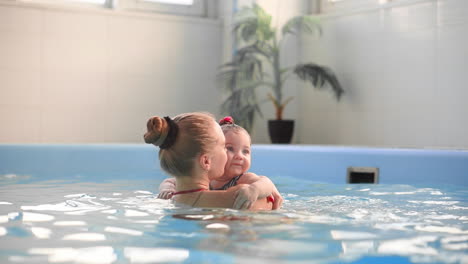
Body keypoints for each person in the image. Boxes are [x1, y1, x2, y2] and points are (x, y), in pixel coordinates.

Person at [144, 112, 273, 210]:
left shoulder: (172, 199)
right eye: (224, 147)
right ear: (206, 162)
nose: (227, 154)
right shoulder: (233, 198)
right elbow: (270, 203)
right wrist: (266, 189)